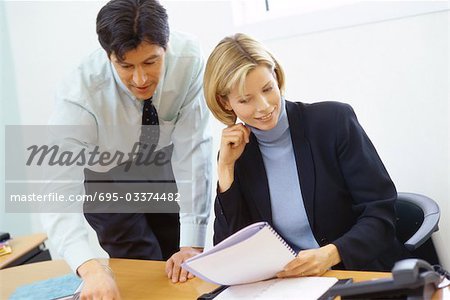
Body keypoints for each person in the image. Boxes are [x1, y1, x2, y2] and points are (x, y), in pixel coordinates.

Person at [41, 0, 212, 298]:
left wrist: (193, 243)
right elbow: (57, 192)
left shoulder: (189, 60)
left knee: (180, 261)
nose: (141, 79)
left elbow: (194, 148)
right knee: (140, 262)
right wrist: (90, 267)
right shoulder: (78, 96)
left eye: (150, 62)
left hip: (161, 158)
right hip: (105, 173)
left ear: (166, 46)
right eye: (126, 66)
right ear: (108, 56)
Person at [203, 33, 407, 277]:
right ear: (226, 103)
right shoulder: (238, 154)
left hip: (357, 275)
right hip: (288, 286)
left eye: (268, 89)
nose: (264, 106)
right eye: (246, 100)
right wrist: (225, 169)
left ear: (276, 77)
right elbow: (232, 253)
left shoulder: (333, 122)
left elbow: (381, 215)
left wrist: (330, 254)